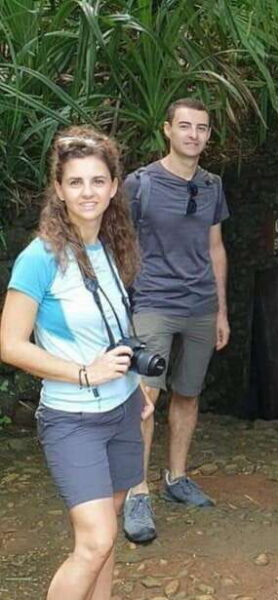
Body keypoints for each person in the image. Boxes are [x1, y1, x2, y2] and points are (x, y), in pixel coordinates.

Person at [0, 126, 153, 600]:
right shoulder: (40, 258)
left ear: (113, 187)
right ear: (59, 190)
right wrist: (84, 373)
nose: (88, 192)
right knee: (95, 540)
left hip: (122, 410)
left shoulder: (108, 246)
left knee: (105, 539)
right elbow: (9, 344)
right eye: (76, 182)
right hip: (73, 418)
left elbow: (110, 330)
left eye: (98, 180)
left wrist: (136, 383)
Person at [121, 98, 230, 543]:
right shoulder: (139, 184)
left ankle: (176, 477)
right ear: (167, 129)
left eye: (201, 128)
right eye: (184, 126)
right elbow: (118, 245)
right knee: (145, 398)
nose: (193, 135)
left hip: (201, 304)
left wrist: (222, 308)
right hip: (153, 303)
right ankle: (136, 491)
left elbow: (216, 246)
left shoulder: (212, 185)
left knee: (188, 393)